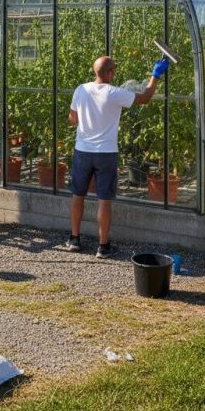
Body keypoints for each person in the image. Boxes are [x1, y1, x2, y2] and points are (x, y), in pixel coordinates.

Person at [66, 55, 170, 258]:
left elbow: (72, 119)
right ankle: (103, 246)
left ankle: (74, 239)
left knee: (77, 194)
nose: (115, 73)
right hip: (105, 153)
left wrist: (88, 120)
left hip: (83, 151)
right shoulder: (115, 93)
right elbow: (146, 97)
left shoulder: (81, 89)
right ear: (108, 73)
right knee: (104, 199)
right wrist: (155, 75)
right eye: (113, 70)